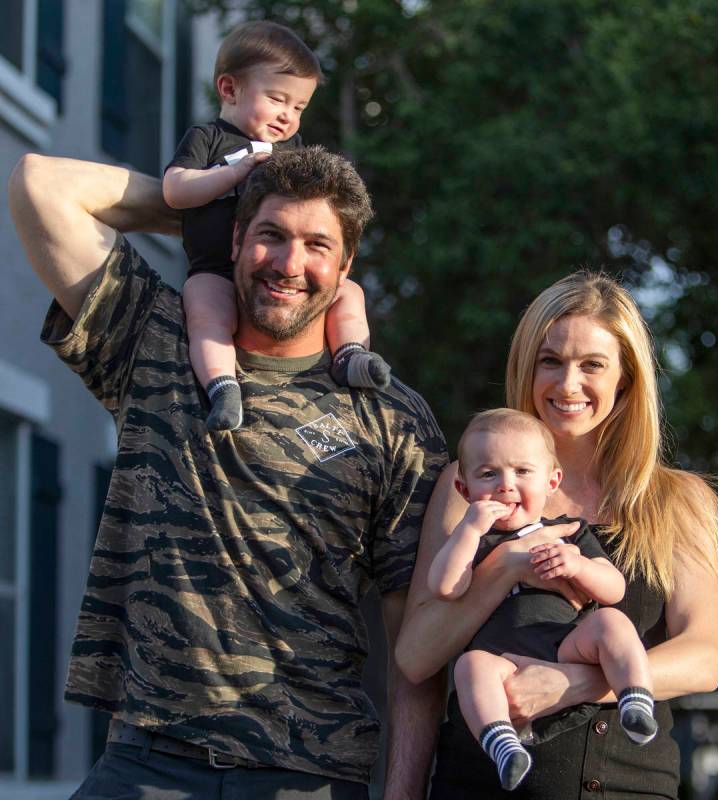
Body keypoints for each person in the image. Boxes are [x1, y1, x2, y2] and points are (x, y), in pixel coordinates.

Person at [8, 146, 447, 800]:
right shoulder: (155, 342)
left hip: (308, 772)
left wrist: (404, 794)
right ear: (238, 239)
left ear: (346, 266)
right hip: (149, 757)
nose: (289, 264)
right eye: (270, 234)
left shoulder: (392, 419)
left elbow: (415, 640)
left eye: (317, 244)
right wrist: (206, 205)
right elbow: (39, 185)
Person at [396, 271, 718, 799]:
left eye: (592, 365)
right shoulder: (471, 488)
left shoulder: (679, 501)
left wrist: (572, 684)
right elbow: (416, 659)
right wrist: (506, 565)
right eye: (550, 361)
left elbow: (704, 658)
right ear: (526, 369)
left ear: (625, 378)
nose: (568, 384)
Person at [163, 20, 390, 431]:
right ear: (229, 89)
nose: (288, 116)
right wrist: (232, 174)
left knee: (349, 292)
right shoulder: (209, 139)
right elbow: (175, 191)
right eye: (277, 99)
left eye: (299, 108)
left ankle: (350, 354)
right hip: (214, 268)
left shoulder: (290, 150)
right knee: (206, 316)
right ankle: (223, 387)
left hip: (266, 276)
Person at [428, 407, 656, 791]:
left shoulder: (566, 532)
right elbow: (445, 587)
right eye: (488, 474)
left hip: (566, 645)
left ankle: (635, 700)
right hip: (502, 665)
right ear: (464, 490)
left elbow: (615, 588)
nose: (505, 485)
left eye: (522, 472)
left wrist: (578, 566)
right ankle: (503, 744)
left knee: (612, 623)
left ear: (552, 481)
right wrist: (469, 529)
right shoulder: (474, 542)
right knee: (469, 667)